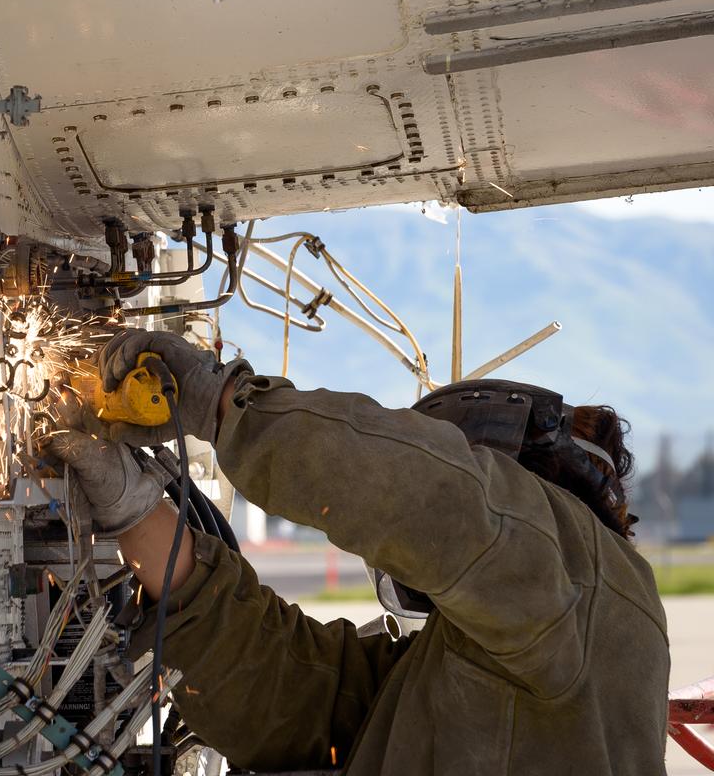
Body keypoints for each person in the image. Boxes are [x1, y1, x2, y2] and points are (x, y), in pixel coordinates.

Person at [47, 330, 669, 775]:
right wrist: (135, 510)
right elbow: (303, 695)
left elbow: (432, 496)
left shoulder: (583, 583)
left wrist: (225, 408)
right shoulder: (490, 661)